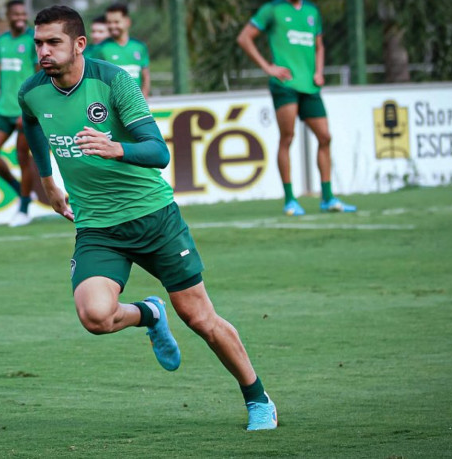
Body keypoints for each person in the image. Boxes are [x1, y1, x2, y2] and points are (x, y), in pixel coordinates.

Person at [19, 5, 278, 431]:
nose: (43, 51)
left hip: (154, 218)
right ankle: (150, 314)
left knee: (199, 319)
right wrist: (48, 182)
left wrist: (116, 148)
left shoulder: (116, 81)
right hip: (97, 226)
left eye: (53, 43)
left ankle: (257, 397)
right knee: (95, 317)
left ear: (79, 44)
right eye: (38, 43)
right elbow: (32, 126)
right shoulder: (31, 91)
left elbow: (159, 152)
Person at [237, 0, 356, 216]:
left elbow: (319, 46)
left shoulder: (312, 12)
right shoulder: (272, 10)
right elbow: (244, 38)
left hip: (309, 86)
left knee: (325, 137)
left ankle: (327, 198)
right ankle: (290, 200)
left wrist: (319, 71)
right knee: (287, 137)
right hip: (285, 85)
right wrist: (268, 67)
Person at [0, 0, 39, 227]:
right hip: (4, 110)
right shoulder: (1, 41)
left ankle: (23, 210)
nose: (20, 17)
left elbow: (39, 78)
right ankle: (21, 191)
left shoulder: (33, 40)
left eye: (24, 13)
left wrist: (29, 109)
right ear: (8, 16)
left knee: (22, 158)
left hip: (25, 110)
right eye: (16, 14)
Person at [92, 3, 150, 98]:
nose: (112, 26)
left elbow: (145, 77)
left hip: (135, 105)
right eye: (109, 22)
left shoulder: (139, 47)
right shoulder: (100, 48)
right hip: (111, 105)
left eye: (116, 22)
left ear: (127, 22)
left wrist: (143, 99)